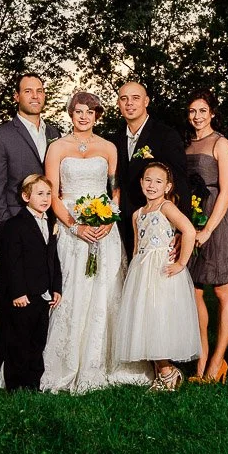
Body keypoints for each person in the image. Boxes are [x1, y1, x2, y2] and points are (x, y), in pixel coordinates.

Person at [40, 92, 151, 393]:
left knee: (105, 290)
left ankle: (106, 360)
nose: (84, 116)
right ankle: (67, 363)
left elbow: (114, 190)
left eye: (90, 111)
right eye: (78, 111)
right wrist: (75, 226)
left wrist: (108, 219)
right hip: (70, 225)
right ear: (70, 114)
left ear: (98, 115)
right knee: (74, 291)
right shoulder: (57, 147)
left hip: (104, 228)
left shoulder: (109, 147)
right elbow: (52, 194)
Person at [114, 162, 201, 391]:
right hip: (142, 270)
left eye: (158, 182)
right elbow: (135, 247)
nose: (152, 185)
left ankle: (167, 371)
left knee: (159, 316)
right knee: (145, 318)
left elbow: (189, 231)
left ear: (168, 186)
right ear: (141, 183)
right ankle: (160, 372)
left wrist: (182, 262)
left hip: (162, 268)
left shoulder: (166, 207)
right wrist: (132, 272)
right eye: (148, 180)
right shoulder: (137, 214)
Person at [184, 91, 228, 383]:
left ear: (213, 113)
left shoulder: (221, 143)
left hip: (215, 220)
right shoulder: (187, 145)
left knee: (222, 289)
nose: (197, 116)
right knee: (194, 292)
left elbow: (227, 190)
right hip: (192, 218)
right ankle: (202, 360)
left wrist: (208, 230)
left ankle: (219, 361)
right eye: (192, 111)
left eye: (202, 110)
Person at [0, 174, 62, 392]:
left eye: (48, 194)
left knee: (38, 341)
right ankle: (15, 385)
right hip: (23, 295)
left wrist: (56, 287)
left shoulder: (50, 222)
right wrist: (18, 292)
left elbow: (53, 258)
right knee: (19, 340)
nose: (45, 199)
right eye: (40, 194)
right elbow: (11, 263)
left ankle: (33, 383)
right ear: (26, 196)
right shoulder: (15, 225)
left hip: (42, 293)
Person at [112, 81, 189, 256]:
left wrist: (180, 230)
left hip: (157, 229)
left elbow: (181, 183)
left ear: (146, 101)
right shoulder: (114, 140)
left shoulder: (166, 136)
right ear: (119, 104)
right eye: (124, 99)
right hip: (122, 226)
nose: (129, 103)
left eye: (135, 98)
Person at [0, 73, 62, 237]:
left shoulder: (54, 133)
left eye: (39, 91)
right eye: (28, 91)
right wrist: (5, 228)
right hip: (15, 222)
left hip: (50, 222)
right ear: (16, 96)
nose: (35, 96)